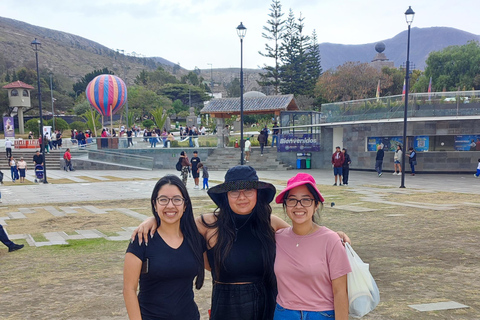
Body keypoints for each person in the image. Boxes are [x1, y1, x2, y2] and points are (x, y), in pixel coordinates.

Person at [132, 166, 351, 320]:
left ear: (257, 193)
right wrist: (153, 219)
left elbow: (304, 235)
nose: (242, 197)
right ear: (226, 196)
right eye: (235, 191)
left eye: (248, 190)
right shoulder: (209, 224)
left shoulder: (270, 223)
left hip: (267, 304)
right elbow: (177, 222)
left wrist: (335, 235)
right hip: (227, 308)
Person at [123, 175, 205, 320]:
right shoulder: (142, 239)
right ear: (155, 204)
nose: (170, 205)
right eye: (163, 200)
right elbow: (129, 290)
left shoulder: (195, 239)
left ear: (185, 205)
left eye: (177, 199)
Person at [274, 173, 351, 320]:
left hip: (321, 314)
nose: (298, 206)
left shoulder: (331, 241)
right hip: (284, 313)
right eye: (292, 200)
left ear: (316, 205)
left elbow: (340, 292)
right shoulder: (278, 238)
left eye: (306, 200)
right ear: (285, 205)